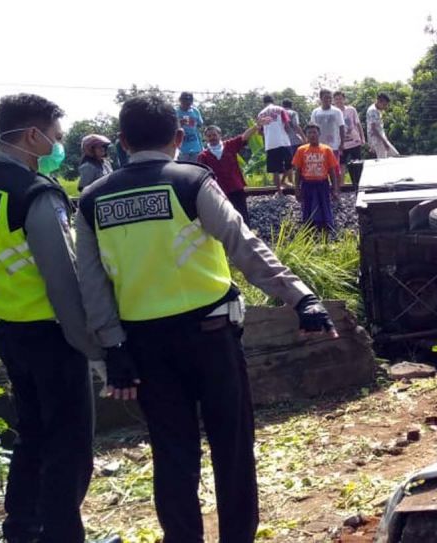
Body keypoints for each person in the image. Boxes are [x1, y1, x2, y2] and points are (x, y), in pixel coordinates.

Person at [74, 94, 337, 543]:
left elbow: (91, 284)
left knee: (172, 456)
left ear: (121, 141)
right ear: (179, 137)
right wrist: (302, 299)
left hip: (143, 348)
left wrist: (111, 347)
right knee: (232, 449)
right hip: (210, 338)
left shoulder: (93, 199)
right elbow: (244, 246)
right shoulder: (191, 182)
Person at [0, 94, 112, 543]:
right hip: (52, 335)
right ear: (32, 136)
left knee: (32, 436)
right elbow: (63, 280)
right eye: (56, 137)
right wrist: (92, 345)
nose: (59, 145)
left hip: (9, 330)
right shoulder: (35, 193)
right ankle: (63, 535)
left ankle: (21, 528)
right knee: (70, 446)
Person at [198, 123, 260, 227]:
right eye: (209, 136)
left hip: (236, 188)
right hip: (218, 191)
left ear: (219, 135)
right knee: (224, 217)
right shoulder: (203, 155)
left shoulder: (230, 146)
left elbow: (244, 136)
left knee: (242, 215)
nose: (212, 138)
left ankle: (247, 238)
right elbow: (203, 175)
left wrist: (257, 125)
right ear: (206, 138)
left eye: (214, 135)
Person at [291, 123, 341, 234]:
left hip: (322, 183)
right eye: (309, 132)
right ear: (306, 135)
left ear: (319, 134)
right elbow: (298, 171)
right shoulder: (301, 150)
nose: (312, 135)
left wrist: (335, 188)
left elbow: (332, 171)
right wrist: (297, 189)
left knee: (324, 204)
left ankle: (327, 226)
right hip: (307, 183)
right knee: (307, 206)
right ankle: (308, 227)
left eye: (314, 132)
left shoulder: (327, 150)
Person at [257, 95, 293, 190]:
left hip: (270, 144)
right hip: (284, 141)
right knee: (290, 164)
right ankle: (283, 181)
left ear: (264, 103)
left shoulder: (260, 114)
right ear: (274, 101)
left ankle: (279, 191)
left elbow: (259, 131)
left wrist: (268, 133)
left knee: (275, 169)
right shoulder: (281, 109)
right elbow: (287, 126)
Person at [333, 90, 365, 185]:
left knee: (357, 163)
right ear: (334, 101)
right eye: (336, 99)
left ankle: (359, 183)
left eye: (340, 98)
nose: (339, 101)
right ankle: (341, 185)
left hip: (354, 141)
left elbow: (358, 124)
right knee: (341, 164)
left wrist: (362, 137)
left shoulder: (351, 110)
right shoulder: (333, 112)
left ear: (344, 99)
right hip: (341, 143)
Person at [310, 89, 345, 164]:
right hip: (319, 145)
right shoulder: (315, 112)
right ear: (321, 98)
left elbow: (341, 127)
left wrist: (342, 143)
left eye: (330, 98)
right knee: (321, 167)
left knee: (334, 167)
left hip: (334, 145)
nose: (328, 100)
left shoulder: (337, 111)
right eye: (326, 97)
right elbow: (312, 128)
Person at [366, 92, 399, 159]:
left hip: (381, 138)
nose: (385, 107)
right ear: (379, 101)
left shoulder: (377, 110)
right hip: (378, 140)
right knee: (383, 161)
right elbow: (373, 129)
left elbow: (379, 127)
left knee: (395, 155)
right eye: (384, 104)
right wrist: (384, 142)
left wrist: (384, 140)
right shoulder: (373, 110)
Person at [175, 91, 204, 162]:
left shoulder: (195, 111)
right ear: (180, 100)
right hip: (181, 147)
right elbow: (170, 127)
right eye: (185, 99)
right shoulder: (175, 111)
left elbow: (201, 124)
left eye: (190, 100)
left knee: (196, 167)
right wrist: (179, 124)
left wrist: (193, 122)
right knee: (183, 168)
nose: (187, 102)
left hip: (195, 146)